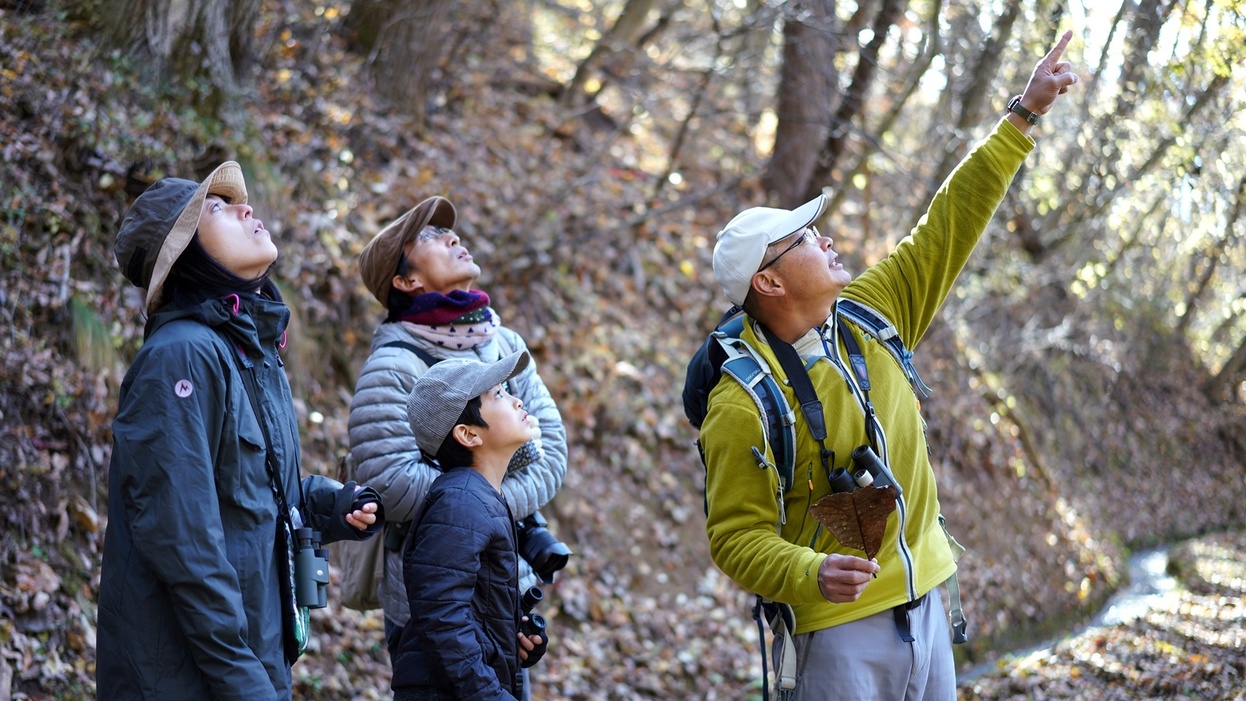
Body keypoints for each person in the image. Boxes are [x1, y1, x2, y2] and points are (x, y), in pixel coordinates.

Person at [700, 32, 1079, 699]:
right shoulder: (742, 400)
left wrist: (1023, 114)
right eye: (805, 240)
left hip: (929, 604)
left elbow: (949, 224)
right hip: (829, 637)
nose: (827, 239)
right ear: (770, 283)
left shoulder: (875, 311)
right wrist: (809, 571)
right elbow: (734, 536)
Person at [97, 161, 383, 700]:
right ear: (184, 253)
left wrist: (330, 507)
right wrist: (243, 680)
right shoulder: (181, 357)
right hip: (188, 676)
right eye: (218, 208)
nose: (245, 208)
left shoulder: (245, 350)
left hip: (249, 656)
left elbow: (253, 497)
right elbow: (183, 544)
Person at [348, 195, 568, 663]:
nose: (453, 237)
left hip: (508, 589)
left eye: (449, 232)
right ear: (406, 280)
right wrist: (486, 497)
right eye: (428, 237)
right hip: (430, 605)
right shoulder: (392, 367)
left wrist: (485, 501)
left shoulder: (504, 343)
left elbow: (552, 453)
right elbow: (393, 484)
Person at [390, 351, 548, 700]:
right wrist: (488, 693)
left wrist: (513, 639)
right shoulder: (460, 501)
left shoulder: (479, 496)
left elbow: (471, 610)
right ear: (468, 433)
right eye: (499, 395)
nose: (516, 399)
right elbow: (442, 616)